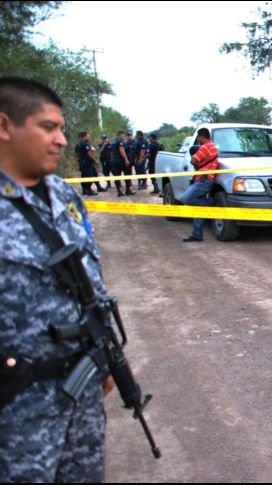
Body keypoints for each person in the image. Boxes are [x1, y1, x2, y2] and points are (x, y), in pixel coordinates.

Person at [0, 76, 113, 482]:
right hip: (16, 403)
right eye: (49, 128)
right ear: (4, 126)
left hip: (80, 386)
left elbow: (91, 279)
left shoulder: (65, 196)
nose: (62, 140)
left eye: (62, 128)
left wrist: (109, 356)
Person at [180, 127, 218, 242]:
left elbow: (193, 160)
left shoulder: (206, 147)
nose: (198, 140)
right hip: (204, 179)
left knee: (184, 198)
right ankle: (197, 234)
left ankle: (211, 202)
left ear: (201, 136)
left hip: (203, 180)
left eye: (198, 138)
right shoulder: (213, 146)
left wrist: (195, 158)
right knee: (198, 208)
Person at [74, 131, 105, 196]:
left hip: (82, 162)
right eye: (88, 136)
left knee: (93, 174)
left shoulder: (78, 144)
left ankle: (98, 187)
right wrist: (95, 161)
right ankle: (88, 190)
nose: (89, 137)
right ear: (84, 136)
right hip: (87, 163)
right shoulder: (85, 144)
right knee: (89, 176)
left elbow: (76, 153)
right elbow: (89, 154)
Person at [109, 131, 135, 196]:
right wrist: (126, 160)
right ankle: (128, 190)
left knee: (117, 176)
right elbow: (122, 151)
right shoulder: (120, 142)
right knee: (127, 175)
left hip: (115, 161)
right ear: (119, 136)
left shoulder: (112, 142)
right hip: (121, 161)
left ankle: (119, 191)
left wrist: (112, 160)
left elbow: (111, 153)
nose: (124, 137)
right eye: (123, 136)